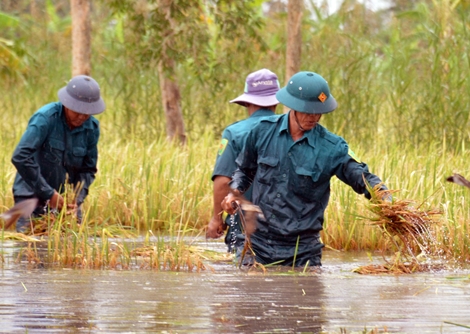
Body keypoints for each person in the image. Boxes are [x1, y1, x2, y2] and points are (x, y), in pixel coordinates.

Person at [221, 71, 388, 267]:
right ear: (293, 106)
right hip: (256, 245)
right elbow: (244, 170)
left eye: (318, 112)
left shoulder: (332, 147)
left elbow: (360, 175)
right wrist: (235, 192)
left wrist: (383, 196)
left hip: (302, 253)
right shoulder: (262, 132)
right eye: (308, 111)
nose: (313, 117)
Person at [11, 75, 105, 233]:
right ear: (67, 104)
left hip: (63, 202)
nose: (82, 116)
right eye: (78, 111)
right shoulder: (45, 119)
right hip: (31, 195)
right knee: (30, 248)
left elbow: (88, 170)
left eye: (87, 112)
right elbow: (20, 156)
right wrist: (48, 194)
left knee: (72, 246)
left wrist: (76, 198)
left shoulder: (92, 128)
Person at [206, 68, 280, 252]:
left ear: (247, 102)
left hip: (246, 227)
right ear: (276, 102)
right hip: (289, 229)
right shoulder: (292, 132)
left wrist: (217, 218)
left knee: (245, 273)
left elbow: (223, 181)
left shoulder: (235, 133)